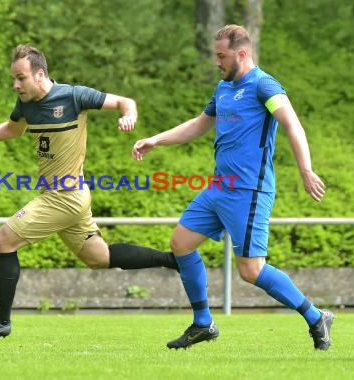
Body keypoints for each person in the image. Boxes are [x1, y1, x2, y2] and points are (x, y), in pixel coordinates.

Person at [0, 44, 178, 338]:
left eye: (21, 78)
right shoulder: (26, 103)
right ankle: (173, 260)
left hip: (66, 197)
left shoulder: (73, 96)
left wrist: (128, 116)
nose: (15, 85)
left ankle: (1, 319)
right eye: (14, 79)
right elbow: (13, 129)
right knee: (100, 257)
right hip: (65, 198)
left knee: (3, 240)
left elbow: (126, 101)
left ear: (40, 74)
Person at [132, 24, 335, 350]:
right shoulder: (223, 89)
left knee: (251, 270)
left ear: (242, 53)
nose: (217, 62)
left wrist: (306, 169)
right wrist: (157, 139)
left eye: (222, 56)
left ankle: (315, 317)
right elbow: (199, 125)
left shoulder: (263, 85)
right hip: (219, 188)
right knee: (181, 243)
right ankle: (203, 323)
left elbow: (292, 124)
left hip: (248, 191)